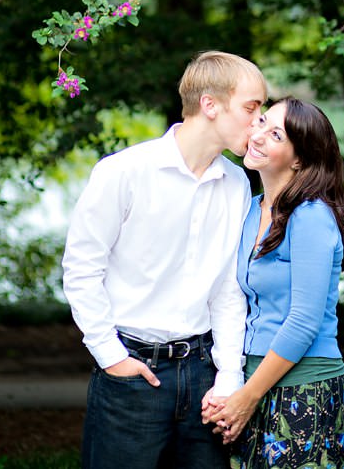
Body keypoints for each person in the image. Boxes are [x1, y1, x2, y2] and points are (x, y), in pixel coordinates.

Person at [63, 50, 268, 469]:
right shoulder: (122, 172)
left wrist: (229, 375)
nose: (259, 121)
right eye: (252, 107)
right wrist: (111, 356)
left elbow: (228, 289)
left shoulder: (236, 185)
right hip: (131, 372)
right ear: (210, 105)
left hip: (204, 375)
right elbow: (82, 269)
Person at [201, 97, 344, 469]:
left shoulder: (311, 215)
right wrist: (232, 385)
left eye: (276, 134)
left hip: (304, 389)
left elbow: (303, 320)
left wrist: (248, 395)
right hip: (254, 383)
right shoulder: (250, 208)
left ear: (299, 158)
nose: (259, 135)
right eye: (262, 121)